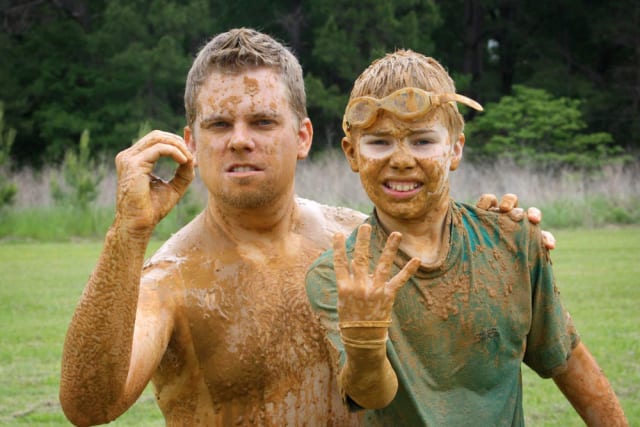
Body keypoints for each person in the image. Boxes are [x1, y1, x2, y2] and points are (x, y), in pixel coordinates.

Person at [59, 29, 548, 426]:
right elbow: (88, 407)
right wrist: (128, 233)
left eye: (264, 121)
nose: (240, 141)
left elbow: (469, 335)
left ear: (303, 136)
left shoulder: (364, 244)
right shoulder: (170, 280)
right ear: (191, 141)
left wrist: (505, 238)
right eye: (219, 125)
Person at [305, 50, 628, 426]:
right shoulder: (337, 278)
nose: (402, 159)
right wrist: (365, 339)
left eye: (423, 141)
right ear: (352, 153)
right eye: (379, 143)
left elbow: (568, 361)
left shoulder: (513, 242)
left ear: (455, 148)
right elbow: (373, 395)